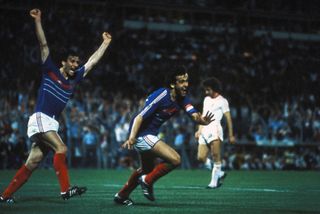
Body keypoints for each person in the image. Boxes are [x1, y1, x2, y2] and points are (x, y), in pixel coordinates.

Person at [0, 8, 112, 203]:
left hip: (50, 123)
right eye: (72, 61)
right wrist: (37, 20)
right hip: (41, 118)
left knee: (33, 162)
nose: (76, 64)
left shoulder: (75, 78)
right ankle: (65, 190)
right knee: (62, 148)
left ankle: (4, 195)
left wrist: (105, 43)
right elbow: (43, 44)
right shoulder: (50, 70)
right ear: (64, 62)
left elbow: (92, 62)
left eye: (77, 62)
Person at [113, 66, 214, 206]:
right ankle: (147, 181)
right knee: (175, 159)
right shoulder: (162, 94)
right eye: (181, 81)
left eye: (186, 81)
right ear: (173, 84)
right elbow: (139, 117)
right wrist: (131, 137)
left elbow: (193, 114)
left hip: (148, 135)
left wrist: (201, 120)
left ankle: (122, 195)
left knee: (146, 169)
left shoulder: (182, 98)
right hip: (141, 134)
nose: (186, 84)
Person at [195, 77, 236, 189]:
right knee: (200, 157)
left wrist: (231, 135)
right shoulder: (206, 99)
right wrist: (199, 130)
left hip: (215, 129)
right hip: (204, 129)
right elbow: (203, 116)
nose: (206, 92)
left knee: (215, 156)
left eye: (208, 89)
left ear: (214, 88)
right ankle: (220, 173)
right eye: (205, 90)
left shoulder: (223, 101)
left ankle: (213, 183)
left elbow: (228, 119)